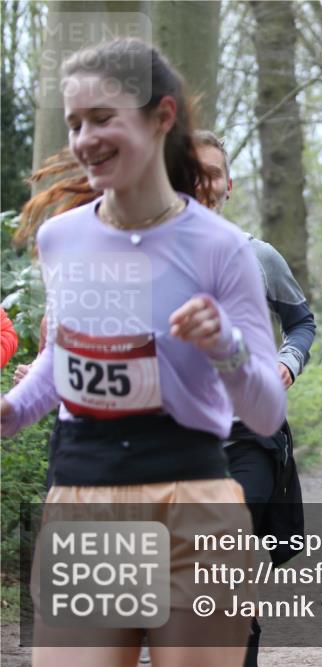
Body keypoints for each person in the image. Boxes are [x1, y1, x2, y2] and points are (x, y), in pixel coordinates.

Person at [0, 38, 285, 667]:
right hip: (85, 495)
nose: (83, 139)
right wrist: (13, 410)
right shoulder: (61, 239)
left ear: (162, 117)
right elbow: (62, 354)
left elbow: (265, 415)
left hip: (194, 504)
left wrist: (225, 346)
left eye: (103, 119)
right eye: (75, 123)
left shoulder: (223, 247)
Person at [192, 130, 314, 667]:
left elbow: (302, 323)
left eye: (212, 172)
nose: (201, 181)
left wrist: (288, 362)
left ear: (228, 185)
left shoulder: (256, 254)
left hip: (249, 436)